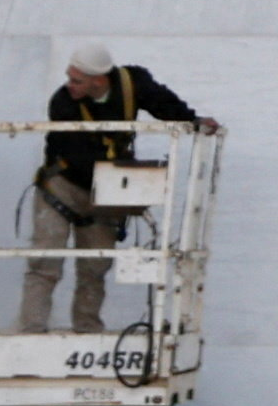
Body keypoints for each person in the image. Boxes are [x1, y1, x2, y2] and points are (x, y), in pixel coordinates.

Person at [23, 45, 204, 328]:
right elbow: (79, 156)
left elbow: (162, 102)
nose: (69, 85)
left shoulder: (132, 84)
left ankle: (87, 330)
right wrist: (125, 187)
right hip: (62, 186)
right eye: (69, 78)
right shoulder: (63, 103)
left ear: (99, 80)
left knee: (95, 267)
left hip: (106, 184)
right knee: (44, 264)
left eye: (77, 80)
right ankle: (29, 331)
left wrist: (192, 121)